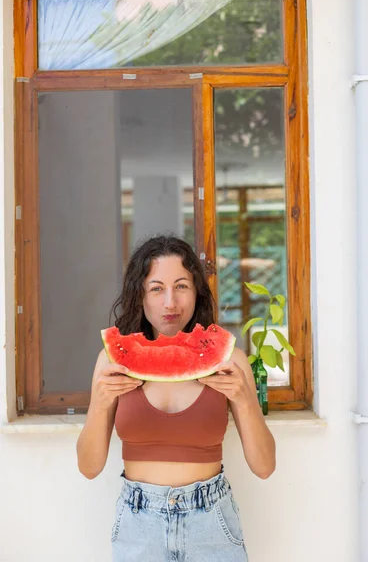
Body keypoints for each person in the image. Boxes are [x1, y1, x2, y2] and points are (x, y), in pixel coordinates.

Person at [77, 235, 276, 562]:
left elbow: (265, 467)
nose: (170, 302)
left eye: (181, 286)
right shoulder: (113, 363)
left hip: (211, 523)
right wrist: (99, 403)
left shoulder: (231, 362)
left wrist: (244, 400)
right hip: (139, 524)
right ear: (138, 295)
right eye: (156, 288)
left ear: (196, 291)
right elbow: (88, 467)